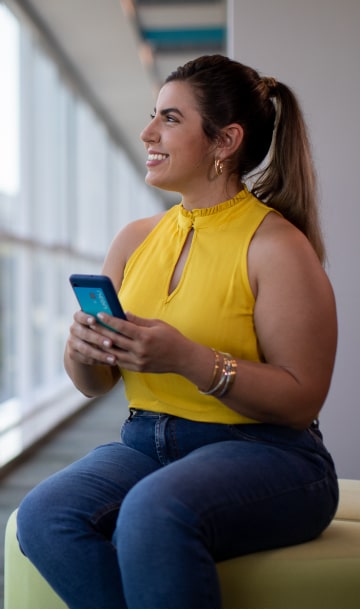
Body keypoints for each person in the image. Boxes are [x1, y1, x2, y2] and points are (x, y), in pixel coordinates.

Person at [17, 54, 338, 609]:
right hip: (147, 442)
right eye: (153, 116)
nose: (148, 133)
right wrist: (82, 351)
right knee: (45, 516)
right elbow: (96, 384)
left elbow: (301, 397)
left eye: (169, 118)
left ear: (225, 141)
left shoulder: (277, 247)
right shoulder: (136, 238)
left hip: (268, 453)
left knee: (153, 511)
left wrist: (189, 359)